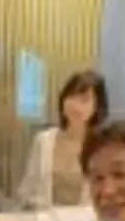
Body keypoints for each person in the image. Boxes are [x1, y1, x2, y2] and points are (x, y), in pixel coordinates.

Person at [16, 70, 108, 209]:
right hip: (44, 218)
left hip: (86, 220)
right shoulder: (44, 140)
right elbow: (27, 188)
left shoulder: (103, 147)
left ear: (97, 107)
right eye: (71, 97)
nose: (75, 105)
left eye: (84, 100)